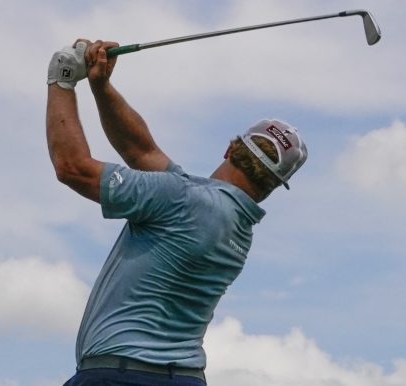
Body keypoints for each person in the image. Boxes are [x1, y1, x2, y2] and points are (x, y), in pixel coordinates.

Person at [46, 39, 307, 386]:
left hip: (118, 376)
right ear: (274, 185)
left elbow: (73, 167)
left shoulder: (180, 198)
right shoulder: (231, 223)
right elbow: (141, 150)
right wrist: (101, 86)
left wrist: (62, 78)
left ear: (230, 148)